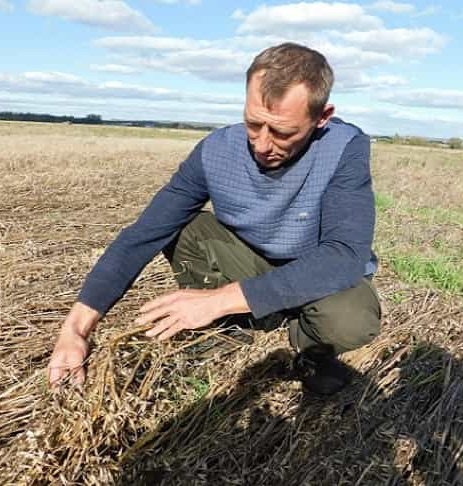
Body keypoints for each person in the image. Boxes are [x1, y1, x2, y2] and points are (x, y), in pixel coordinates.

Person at [47, 43, 381, 395]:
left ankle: (303, 339)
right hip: (250, 262)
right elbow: (143, 235)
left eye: (282, 132)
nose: (262, 145)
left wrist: (217, 299)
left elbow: (344, 256)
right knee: (182, 227)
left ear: (321, 118)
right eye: (253, 124)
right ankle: (233, 326)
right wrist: (75, 330)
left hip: (312, 271)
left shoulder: (344, 148)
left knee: (351, 322)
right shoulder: (216, 151)